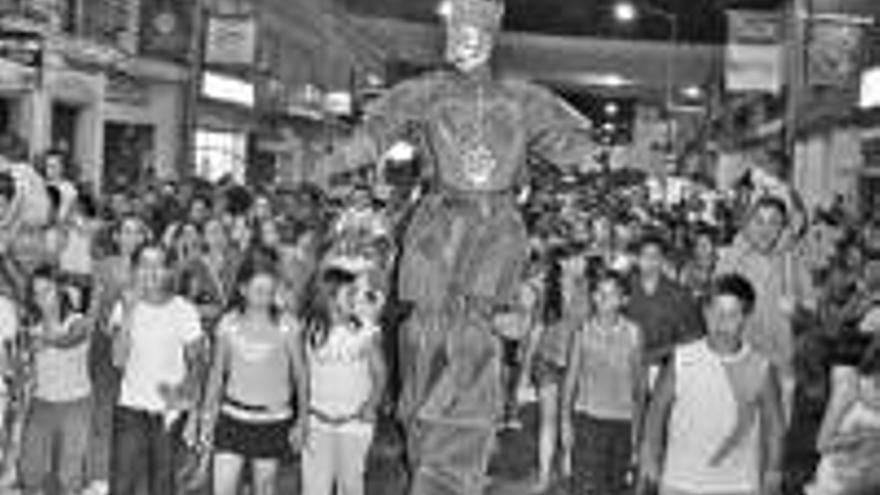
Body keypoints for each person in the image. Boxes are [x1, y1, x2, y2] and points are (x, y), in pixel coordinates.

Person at [317, 0, 599, 491]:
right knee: (424, 338)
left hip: (496, 228)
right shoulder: (425, 93)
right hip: (437, 227)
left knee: (474, 339)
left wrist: (589, 154)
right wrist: (335, 162)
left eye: (470, 27)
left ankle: (453, 468)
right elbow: (374, 135)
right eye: (454, 27)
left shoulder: (522, 97)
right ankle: (425, 453)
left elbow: (574, 143)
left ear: (490, 35)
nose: (459, 38)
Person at [640, 274, 786, 495]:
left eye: (732, 314)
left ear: (746, 317)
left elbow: (774, 425)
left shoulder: (762, 368)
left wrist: (773, 471)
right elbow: (656, 411)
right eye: (715, 312)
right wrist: (650, 455)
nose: (721, 322)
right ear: (704, 313)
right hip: (680, 481)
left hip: (738, 485)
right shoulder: (681, 359)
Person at [199, 257, 308, 495]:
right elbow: (216, 374)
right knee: (222, 488)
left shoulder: (288, 325)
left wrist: (302, 421)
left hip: (272, 421)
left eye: (270, 290)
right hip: (232, 418)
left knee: (263, 489)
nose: (264, 297)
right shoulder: (228, 324)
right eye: (258, 290)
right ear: (243, 289)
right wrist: (207, 417)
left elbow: (301, 376)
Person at [106, 243, 207, 495]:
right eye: (144, 265)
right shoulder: (123, 307)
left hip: (168, 412)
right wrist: (129, 312)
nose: (151, 272)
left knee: (162, 484)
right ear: (134, 269)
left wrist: (184, 393)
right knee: (122, 484)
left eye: (159, 265)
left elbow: (198, 362)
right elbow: (118, 360)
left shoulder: (184, 310)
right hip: (131, 406)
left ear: (169, 271)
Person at [716, 196, 816, 420]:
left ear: (783, 228)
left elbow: (811, 319)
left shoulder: (794, 263)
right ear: (749, 223)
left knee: (774, 446)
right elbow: (715, 315)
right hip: (737, 369)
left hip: (780, 370)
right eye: (759, 221)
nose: (765, 229)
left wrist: (796, 311)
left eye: (773, 222)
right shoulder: (732, 260)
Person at [300, 267, 386, 495]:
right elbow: (304, 377)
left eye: (355, 293)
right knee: (314, 487)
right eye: (349, 294)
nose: (355, 298)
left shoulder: (364, 331)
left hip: (353, 423)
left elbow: (380, 373)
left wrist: (371, 405)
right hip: (318, 422)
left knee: (350, 485)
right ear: (327, 297)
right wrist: (302, 417)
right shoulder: (310, 330)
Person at [562, 267, 645, 495]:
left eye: (610, 294)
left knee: (614, 486)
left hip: (622, 422)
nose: (602, 299)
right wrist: (565, 423)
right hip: (588, 419)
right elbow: (570, 380)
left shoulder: (633, 333)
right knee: (586, 485)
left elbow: (639, 388)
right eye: (599, 293)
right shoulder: (583, 331)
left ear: (623, 300)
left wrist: (637, 434)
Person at [19, 265, 94, 495]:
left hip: (76, 404)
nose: (42, 298)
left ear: (60, 290)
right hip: (42, 404)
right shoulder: (31, 327)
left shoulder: (77, 321)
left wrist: (48, 341)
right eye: (36, 292)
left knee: (69, 476)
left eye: (47, 291)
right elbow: (24, 368)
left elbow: (73, 339)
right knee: (30, 470)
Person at [805, 340, 880, 495]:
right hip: (835, 485)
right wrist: (864, 436)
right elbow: (822, 444)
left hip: (869, 484)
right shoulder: (850, 389)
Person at [626, 233, 705, 375]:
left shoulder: (679, 294)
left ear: (662, 260)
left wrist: (668, 351)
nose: (650, 261)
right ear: (637, 259)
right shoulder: (626, 292)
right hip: (632, 369)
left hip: (668, 370)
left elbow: (695, 336)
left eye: (655, 256)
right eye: (645, 256)